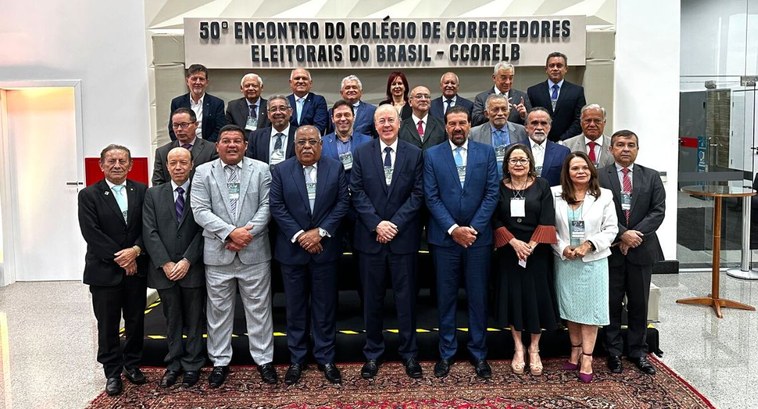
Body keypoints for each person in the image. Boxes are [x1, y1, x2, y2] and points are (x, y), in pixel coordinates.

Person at [191, 124, 277, 387]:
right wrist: (230, 234)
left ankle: (264, 360)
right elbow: (200, 210)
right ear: (217, 145)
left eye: (237, 141)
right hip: (218, 254)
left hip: (254, 252)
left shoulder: (262, 169)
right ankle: (219, 362)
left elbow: (267, 205)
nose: (232, 145)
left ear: (245, 145)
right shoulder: (203, 172)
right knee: (218, 312)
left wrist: (245, 235)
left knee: (259, 310)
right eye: (226, 140)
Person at [269, 125, 349, 385]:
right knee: (295, 308)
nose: (306, 146)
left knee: (325, 307)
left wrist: (321, 233)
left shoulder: (335, 168)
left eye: (312, 141)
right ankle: (297, 359)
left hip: (325, 250)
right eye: (301, 141)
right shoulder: (281, 170)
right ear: (294, 145)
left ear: (321, 144)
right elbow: (277, 206)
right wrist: (302, 236)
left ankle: (325, 357)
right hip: (292, 251)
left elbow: (342, 204)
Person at [350, 104, 425, 380]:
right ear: (374, 125)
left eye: (390, 120)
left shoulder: (414, 153)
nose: (386, 124)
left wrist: (394, 224)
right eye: (381, 120)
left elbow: (418, 194)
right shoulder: (361, 153)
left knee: (406, 301)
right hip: (370, 240)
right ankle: (373, 354)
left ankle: (409, 354)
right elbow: (356, 192)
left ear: (398, 122)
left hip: (402, 239)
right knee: (372, 300)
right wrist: (376, 224)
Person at [424, 106, 499, 379]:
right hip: (445, 240)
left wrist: (473, 229)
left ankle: (479, 353)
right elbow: (430, 197)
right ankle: (446, 352)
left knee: (478, 298)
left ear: (470, 125)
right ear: (445, 126)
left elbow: (492, 193)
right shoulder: (432, 155)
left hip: (478, 241)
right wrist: (454, 229)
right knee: (446, 298)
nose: (457, 128)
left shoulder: (486, 153)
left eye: (462, 123)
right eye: (452, 123)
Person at [77, 144, 148, 396]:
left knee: (135, 320)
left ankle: (132, 364)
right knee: (107, 323)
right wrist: (122, 258)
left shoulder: (141, 190)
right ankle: (112, 372)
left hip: (136, 269)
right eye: (111, 161)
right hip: (104, 271)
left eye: (122, 161)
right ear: (101, 165)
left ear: (130, 165)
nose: (117, 165)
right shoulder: (88, 195)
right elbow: (91, 233)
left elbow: (147, 227)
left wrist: (136, 252)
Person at [600, 130, 665, 376]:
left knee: (639, 303)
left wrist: (634, 235)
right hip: (612, 250)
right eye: (620, 145)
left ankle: (638, 350)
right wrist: (621, 234)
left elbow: (658, 212)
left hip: (642, 249)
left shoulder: (651, 177)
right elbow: (596, 211)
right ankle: (613, 351)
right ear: (611, 149)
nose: (625, 149)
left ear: (637, 148)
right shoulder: (600, 176)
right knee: (612, 303)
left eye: (631, 145)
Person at [491, 144, 559, 376]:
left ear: (530, 163)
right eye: (513, 160)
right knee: (514, 299)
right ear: (506, 164)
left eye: (522, 160)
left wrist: (530, 245)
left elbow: (548, 217)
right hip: (509, 252)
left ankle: (534, 349)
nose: (518, 164)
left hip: (536, 252)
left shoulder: (542, 185)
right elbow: (496, 219)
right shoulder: (499, 187)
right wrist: (513, 243)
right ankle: (518, 348)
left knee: (536, 299)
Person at [551, 151, 618, 383]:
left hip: (593, 262)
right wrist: (562, 248)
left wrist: (589, 245)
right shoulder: (555, 195)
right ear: (567, 173)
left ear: (591, 170)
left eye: (584, 168)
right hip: (566, 261)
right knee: (571, 309)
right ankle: (575, 350)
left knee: (590, 312)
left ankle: (587, 357)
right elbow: (552, 230)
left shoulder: (604, 196)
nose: (580, 172)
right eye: (574, 168)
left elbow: (611, 229)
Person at [142, 147, 205, 388]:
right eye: (173, 163)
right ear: (166, 166)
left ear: (191, 165)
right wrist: (166, 263)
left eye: (183, 162)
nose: (178, 167)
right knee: (172, 319)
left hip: (193, 267)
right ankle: (174, 363)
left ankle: (193, 364)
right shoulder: (153, 195)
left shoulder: (201, 192)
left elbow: (203, 229)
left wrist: (187, 260)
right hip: (164, 269)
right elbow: (149, 231)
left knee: (194, 318)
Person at [527, 52, 586, 141]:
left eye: (559, 66)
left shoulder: (577, 91)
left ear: (566, 69)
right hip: (539, 140)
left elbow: (579, 120)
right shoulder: (533, 91)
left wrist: (563, 140)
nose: (555, 69)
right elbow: (530, 119)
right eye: (552, 66)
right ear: (546, 69)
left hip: (568, 142)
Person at [153, 108, 218, 186]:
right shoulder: (162, 152)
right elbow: (158, 184)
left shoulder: (211, 149)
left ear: (196, 125)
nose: (179, 129)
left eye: (184, 125)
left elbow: (215, 180)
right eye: (175, 125)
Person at [469, 94, 528, 178]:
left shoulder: (522, 131)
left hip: (514, 182)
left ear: (509, 112)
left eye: (504, 109)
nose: (500, 113)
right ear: (486, 113)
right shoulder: (474, 134)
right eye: (495, 110)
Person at [168, 64, 226, 142]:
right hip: (183, 147)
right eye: (194, 79)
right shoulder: (177, 103)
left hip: (209, 148)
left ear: (207, 82)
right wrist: (183, 145)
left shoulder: (217, 103)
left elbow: (220, 129)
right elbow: (173, 128)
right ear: (187, 81)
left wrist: (206, 148)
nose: (198, 82)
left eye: (201, 79)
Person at [322, 99, 372, 178]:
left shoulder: (367, 141)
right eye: (338, 115)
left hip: (358, 188)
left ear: (354, 117)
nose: (343, 119)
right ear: (332, 119)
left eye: (347, 115)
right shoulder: (322, 142)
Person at [472, 62, 531, 127]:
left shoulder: (521, 97)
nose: (508, 82)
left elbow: (531, 122)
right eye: (504, 78)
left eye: (511, 78)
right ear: (494, 78)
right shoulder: (482, 98)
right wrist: (493, 113)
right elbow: (475, 120)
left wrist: (524, 116)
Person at [246, 95, 296, 167]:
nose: (278, 112)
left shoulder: (299, 135)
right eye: (273, 109)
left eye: (282, 108)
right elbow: (250, 164)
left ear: (290, 112)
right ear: (268, 114)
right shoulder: (255, 136)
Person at [524, 108, 570, 186]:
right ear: (526, 127)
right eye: (534, 123)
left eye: (543, 123)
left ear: (549, 127)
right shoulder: (514, 150)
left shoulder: (563, 152)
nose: (539, 127)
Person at [561, 104, 614, 169]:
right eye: (588, 121)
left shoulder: (614, 145)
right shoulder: (567, 145)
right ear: (581, 123)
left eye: (597, 121)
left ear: (604, 122)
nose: (592, 124)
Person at [398, 85, 447, 150]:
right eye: (419, 96)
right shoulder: (400, 127)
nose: (423, 99)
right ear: (410, 102)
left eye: (427, 97)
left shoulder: (442, 125)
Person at [224, 73, 270, 139]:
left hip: (264, 143)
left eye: (254, 85)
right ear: (241, 88)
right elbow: (229, 131)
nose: (251, 88)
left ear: (261, 87)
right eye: (247, 86)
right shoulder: (233, 106)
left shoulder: (270, 106)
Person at [287, 68, 329, 134]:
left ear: (310, 83)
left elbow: (320, 126)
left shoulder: (318, 100)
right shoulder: (285, 101)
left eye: (304, 78)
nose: (301, 81)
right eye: (297, 78)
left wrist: (302, 139)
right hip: (289, 141)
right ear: (290, 83)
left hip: (311, 141)